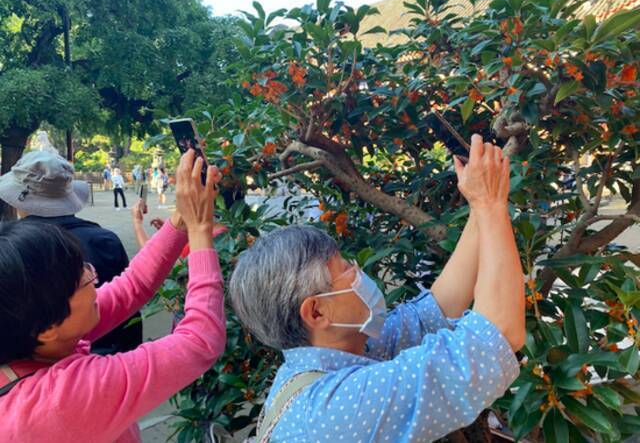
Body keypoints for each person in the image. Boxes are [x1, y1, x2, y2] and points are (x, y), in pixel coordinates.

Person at [229, 135, 525, 442]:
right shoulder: (336, 409)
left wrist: (481, 204)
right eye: (345, 270)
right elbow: (498, 335)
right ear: (317, 311)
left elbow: (433, 312)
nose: (359, 274)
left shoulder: (346, 349)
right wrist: (491, 205)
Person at [0, 150, 226, 443]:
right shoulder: (62, 400)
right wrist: (200, 231)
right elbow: (199, 342)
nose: (91, 273)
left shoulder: (34, 335)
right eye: (79, 278)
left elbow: (133, 285)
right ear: (47, 328)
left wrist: (183, 218)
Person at [0, 151, 141, 355]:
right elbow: (130, 298)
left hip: (39, 361)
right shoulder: (104, 240)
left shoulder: (12, 252)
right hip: (111, 352)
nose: (90, 274)